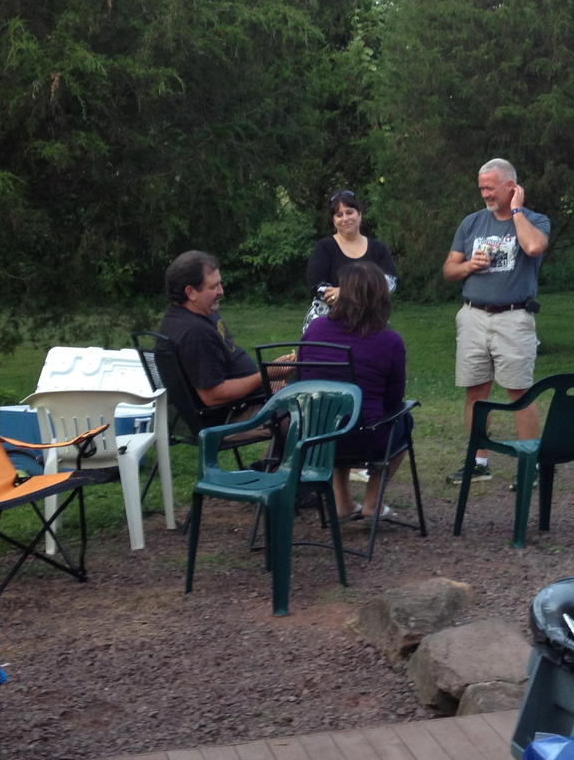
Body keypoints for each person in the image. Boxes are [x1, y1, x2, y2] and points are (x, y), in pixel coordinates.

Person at [442, 158, 551, 483]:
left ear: (511, 187)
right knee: (476, 392)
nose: (485, 194)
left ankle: (530, 465)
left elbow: (534, 247)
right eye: (481, 188)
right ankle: (478, 462)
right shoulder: (472, 223)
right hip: (473, 316)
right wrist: (468, 266)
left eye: (490, 188)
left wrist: (516, 211)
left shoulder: (535, 220)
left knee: (519, 392)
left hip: (514, 317)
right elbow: (449, 269)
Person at [301, 261, 410, 522]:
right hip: (364, 437)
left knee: (336, 411)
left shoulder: (315, 329)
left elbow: (304, 380)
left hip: (316, 437)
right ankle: (373, 501)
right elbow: (394, 399)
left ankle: (343, 503)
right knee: (404, 420)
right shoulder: (389, 340)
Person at [159, 250, 286, 415]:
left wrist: (270, 379)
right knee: (309, 406)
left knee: (301, 386)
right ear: (191, 292)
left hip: (255, 395)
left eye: (220, 284)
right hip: (241, 412)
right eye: (213, 286)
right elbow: (213, 396)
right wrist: (267, 374)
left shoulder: (192, 315)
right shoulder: (194, 332)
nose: (221, 291)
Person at [304, 189, 398, 331]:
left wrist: (345, 292)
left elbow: (390, 283)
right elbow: (317, 286)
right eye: (339, 215)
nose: (345, 219)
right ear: (333, 221)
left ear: (360, 215)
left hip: (371, 322)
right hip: (328, 324)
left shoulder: (379, 248)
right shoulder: (324, 247)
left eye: (349, 212)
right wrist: (366, 292)